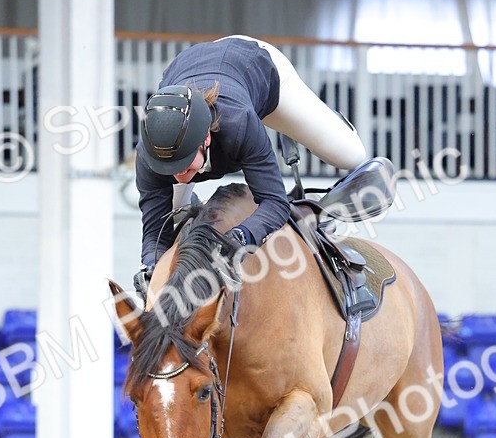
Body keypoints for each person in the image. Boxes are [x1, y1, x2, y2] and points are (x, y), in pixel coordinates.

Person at [132, 35, 367, 299]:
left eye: (183, 163)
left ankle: (326, 125)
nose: (176, 174)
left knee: (352, 156)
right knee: (173, 218)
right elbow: (154, 230)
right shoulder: (149, 153)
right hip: (196, 67)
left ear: (206, 138)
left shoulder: (239, 124)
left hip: (258, 66)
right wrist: (150, 267)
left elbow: (274, 202)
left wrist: (239, 238)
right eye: (167, 166)